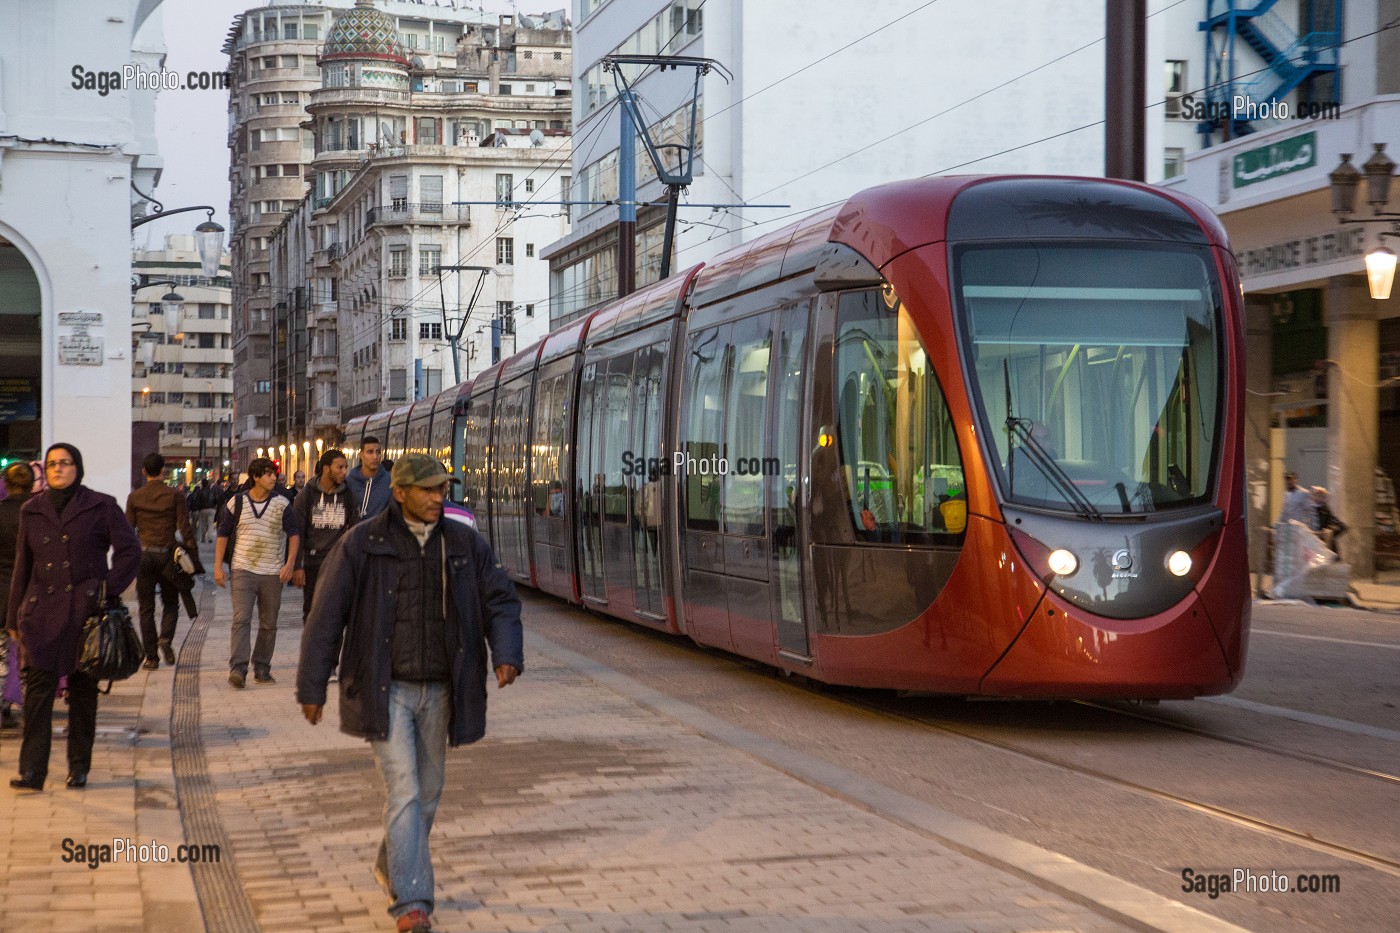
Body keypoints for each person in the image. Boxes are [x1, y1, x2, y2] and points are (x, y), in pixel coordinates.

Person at [296, 454, 522, 933]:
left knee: (428, 794)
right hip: (386, 687)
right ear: (400, 493)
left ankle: (393, 863)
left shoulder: (464, 543)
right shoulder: (363, 543)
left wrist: (506, 652)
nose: (440, 498)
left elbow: (498, 598)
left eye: (443, 489)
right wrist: (312, 684)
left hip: (442, 689)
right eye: (429, 490)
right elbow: (326, 615)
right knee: (404, 789)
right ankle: (413, 902)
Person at [7, 444, 141, 791]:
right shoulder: (31, 510)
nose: (57, 469)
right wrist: (13, 616)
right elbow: (23, 565)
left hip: (86, 616)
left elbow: (130, 551)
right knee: (37, 697)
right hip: (41, 616)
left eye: (64, 463)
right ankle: (33, 772)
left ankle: (78, 767)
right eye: (51, 464)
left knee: (83, 696)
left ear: (77, 468)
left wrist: (106, 588)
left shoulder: (101, 505)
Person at [214, 457, 300, 688]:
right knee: (241, 619)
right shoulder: (237, 503)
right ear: (255, 477)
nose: (274, 478)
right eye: (268, 474)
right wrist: (218, 567)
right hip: (243, 568)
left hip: (273, 572)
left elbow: (294, 534)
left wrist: (290, 563)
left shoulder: (282, 504)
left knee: (268, 622)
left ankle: (262, 667)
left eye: (274, 474)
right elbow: (222, 534)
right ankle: (238, 669)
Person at [126, 453, 199, 670]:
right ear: (163, 471)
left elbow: (128, 529)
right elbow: (185, 527)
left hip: (144, 555)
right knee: (170, 602)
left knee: (146, 608)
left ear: (144, 472)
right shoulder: (174, 495)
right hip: (168, 555)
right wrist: (192, 553)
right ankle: (165, 638)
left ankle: (151, 658)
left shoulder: (135, 497)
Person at [292, 449, 358, 623]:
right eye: (340, 467)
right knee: (312, 611)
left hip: (339, 563)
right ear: (327, 469)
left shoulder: (347, 494)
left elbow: (355, 527)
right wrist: (297, 566)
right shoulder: (306, 495)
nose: (344, 472)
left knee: (337, 612)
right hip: (314, 562)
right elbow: (297, 532)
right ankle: (312, 649)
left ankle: (333, 650)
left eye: (345, 467)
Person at [1, 462, 36, 728]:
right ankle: (31, 706)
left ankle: (2, 708)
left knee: (1, 652)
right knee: (31, 654)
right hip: (32, 594)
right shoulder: (39, 514)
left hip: (1, 592)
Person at [346, 436, 393, 520]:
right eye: (370, 452)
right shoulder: (348, 482)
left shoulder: (390, 483)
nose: (375, 457)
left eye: (378, 452)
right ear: (360, 454)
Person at [1311, 486, 1347, 551]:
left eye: (1318, 495)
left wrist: (1328, 532)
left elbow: (1342, 527)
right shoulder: (1310, 509)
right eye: (1314, 494)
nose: (1315, 497)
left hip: (1325, 549)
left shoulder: (1325, 510)